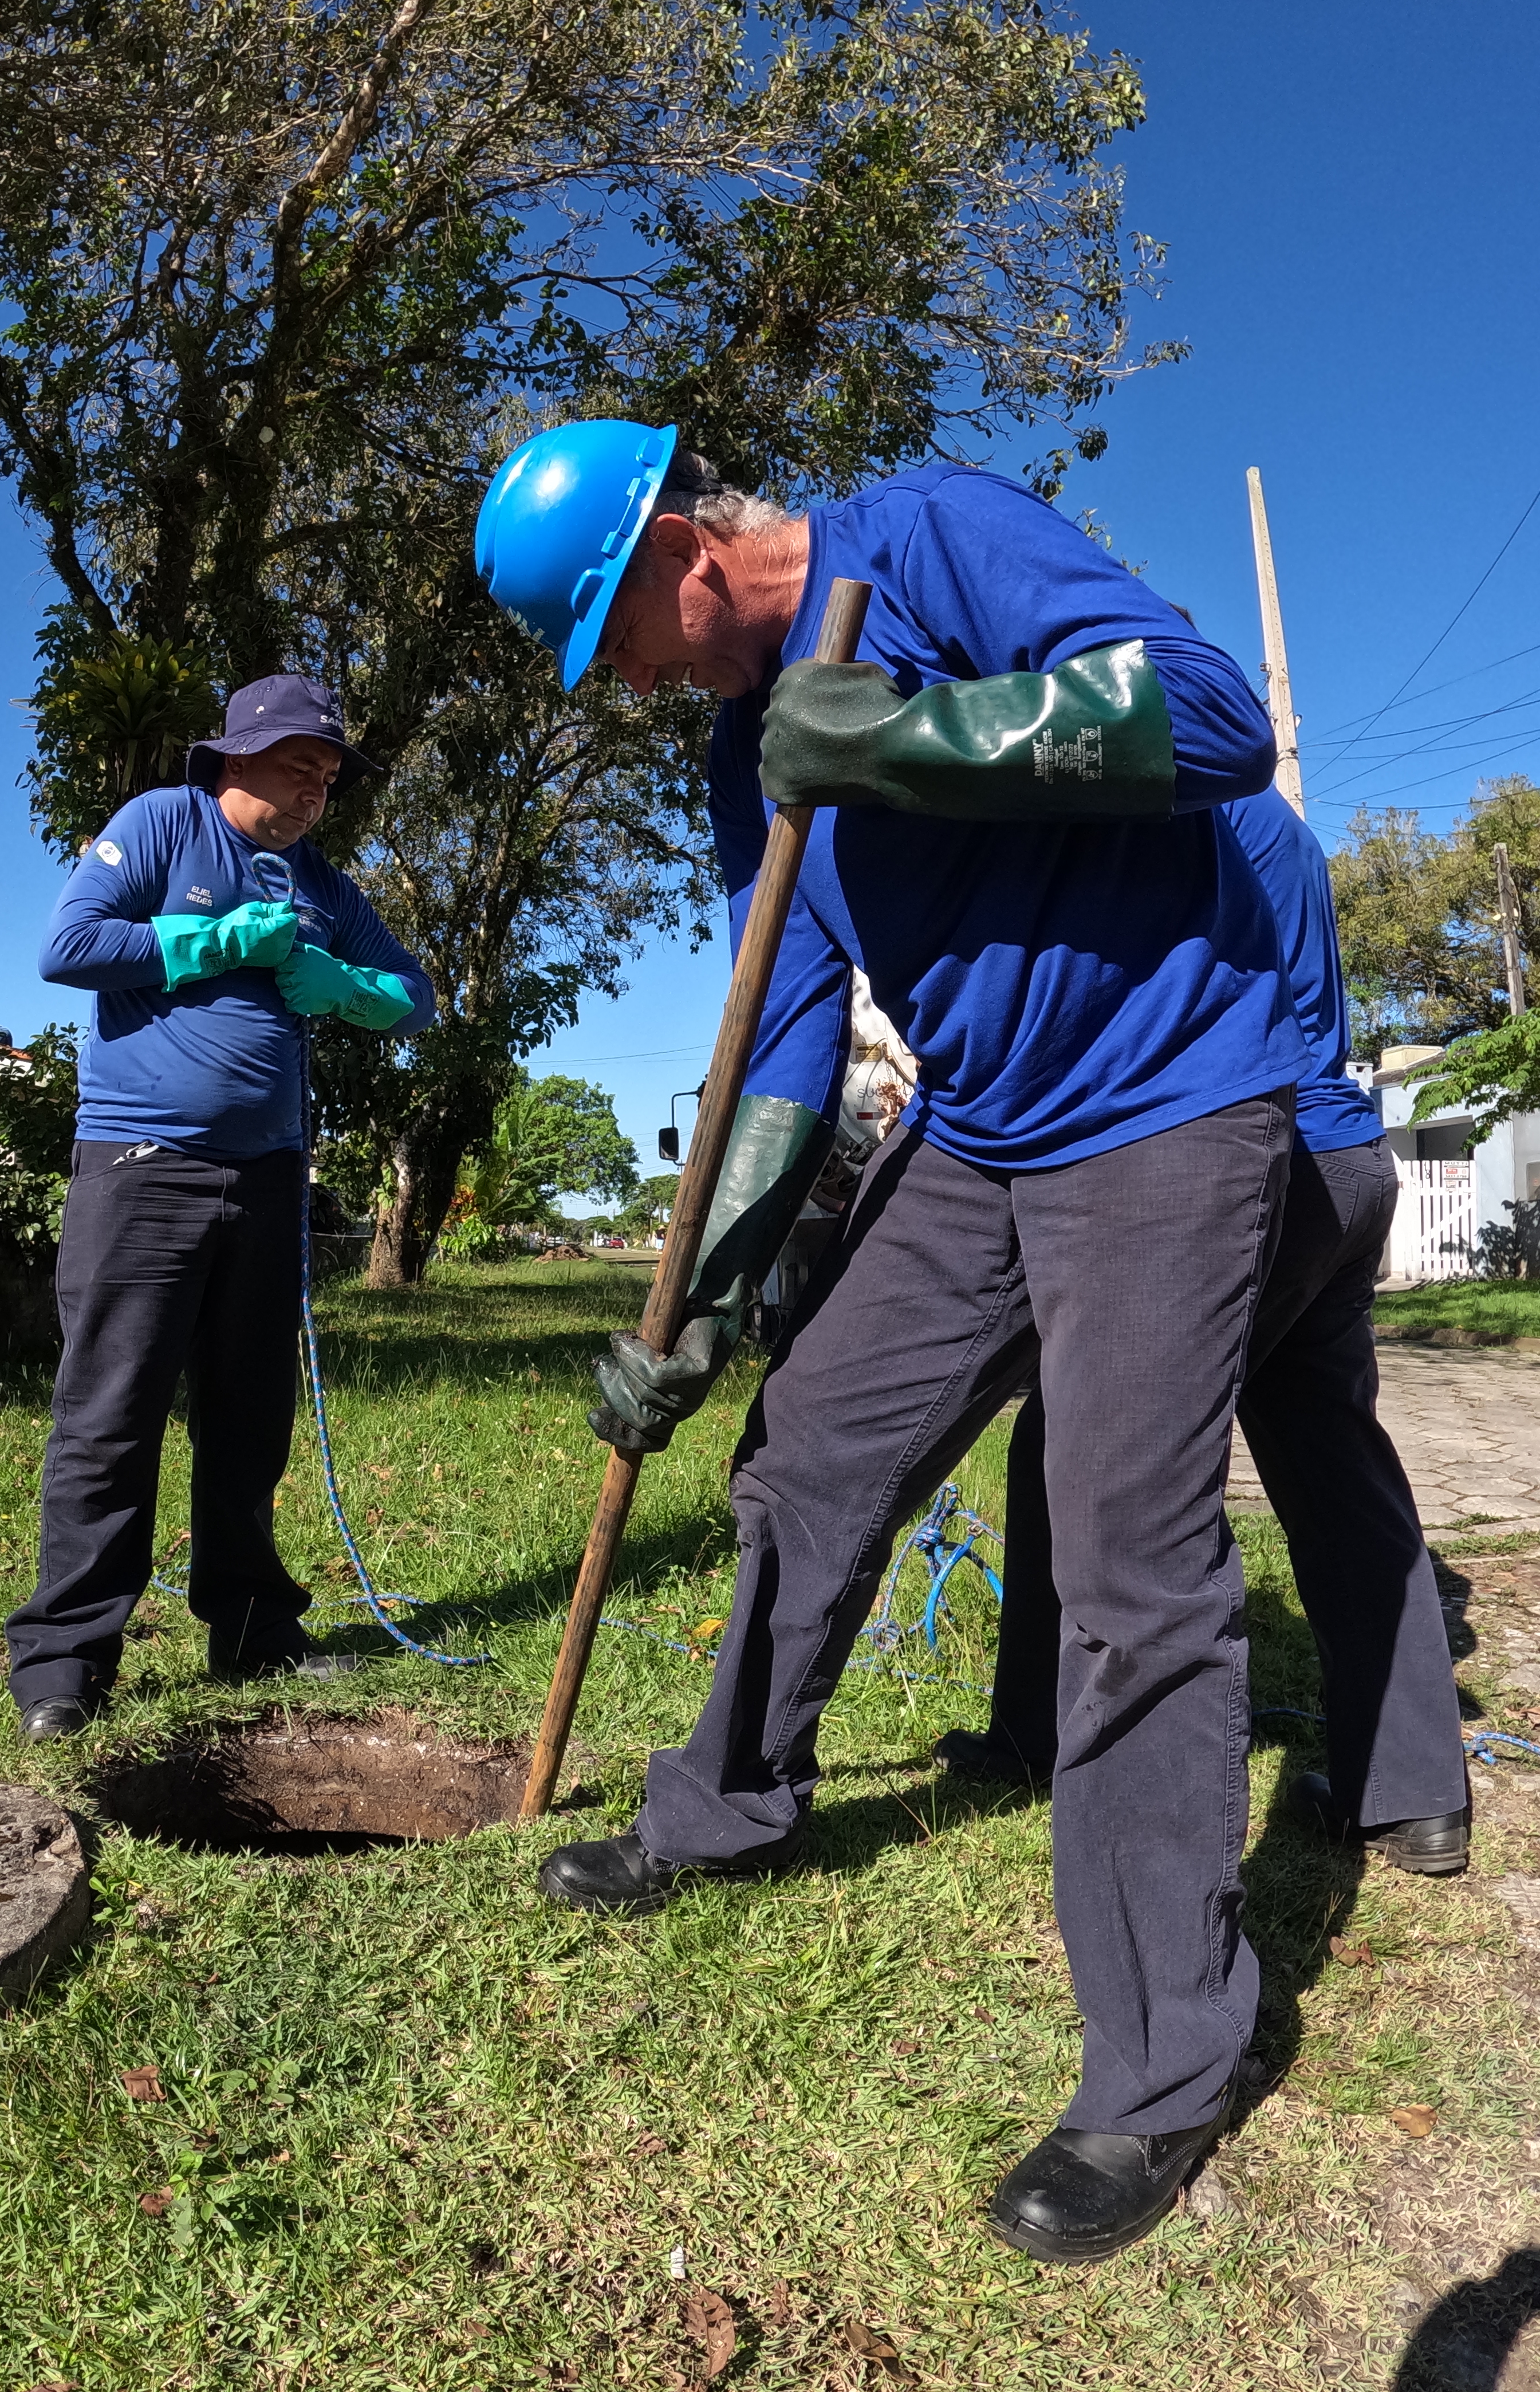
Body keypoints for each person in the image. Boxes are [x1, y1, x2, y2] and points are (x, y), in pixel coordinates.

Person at [475, 421, 1305, 2266]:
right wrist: (691, 1308)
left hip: (1169, 1100)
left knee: (1127, 1559)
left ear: (686, 553)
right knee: (815, 1441)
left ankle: (1161, 2075)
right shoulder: (742, 763)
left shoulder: (929, 543)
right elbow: (780, 1046)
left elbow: (1213, 716)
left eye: (623, 636)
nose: (635, 680)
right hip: (987, 1132)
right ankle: (725, 1805)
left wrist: (917, 743)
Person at [938, 791, 1474, 1876]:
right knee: (1336, 1468)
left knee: (1070, 1434)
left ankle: (1036, 1737)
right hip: (1347, 1158)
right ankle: (1414, 1793)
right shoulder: (1281, 825)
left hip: (1255, 1162)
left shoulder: (1166, 796)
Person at [3, 674, 436, 1741]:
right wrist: (215, 944)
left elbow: (416, 999)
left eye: (331, 778)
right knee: (112, 1414)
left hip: (269, 1179)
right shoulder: (165, 824)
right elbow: (68, 947)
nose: (319, 792)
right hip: (141, 1166)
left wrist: (340, 984)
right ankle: (65, 1660)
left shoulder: (324, 883)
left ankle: (252, 1631)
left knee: (250, 1421)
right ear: (241, 756)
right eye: (304, 767)